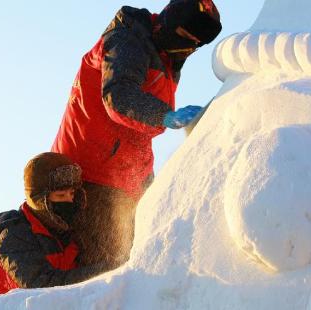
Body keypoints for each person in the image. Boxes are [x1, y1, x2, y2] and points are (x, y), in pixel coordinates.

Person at [51, 0, 222, 269]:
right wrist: (165, 115)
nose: (188, 48)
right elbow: (119, 96)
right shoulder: (128, 40)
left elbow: (136, 136)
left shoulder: (168, 59)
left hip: (126, 183)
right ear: (168, 23)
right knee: (103, 270)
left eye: (195, 44)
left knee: (145, 259)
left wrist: (148, 186)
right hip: (87, 178)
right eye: (184, 38)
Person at [0, 152, 106, 310]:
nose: (69, 200)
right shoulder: (13, 233)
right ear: (39, 201)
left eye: (72, 193)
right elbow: (42, 286)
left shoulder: (72, 231)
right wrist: (109, 270)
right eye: (60, 195)